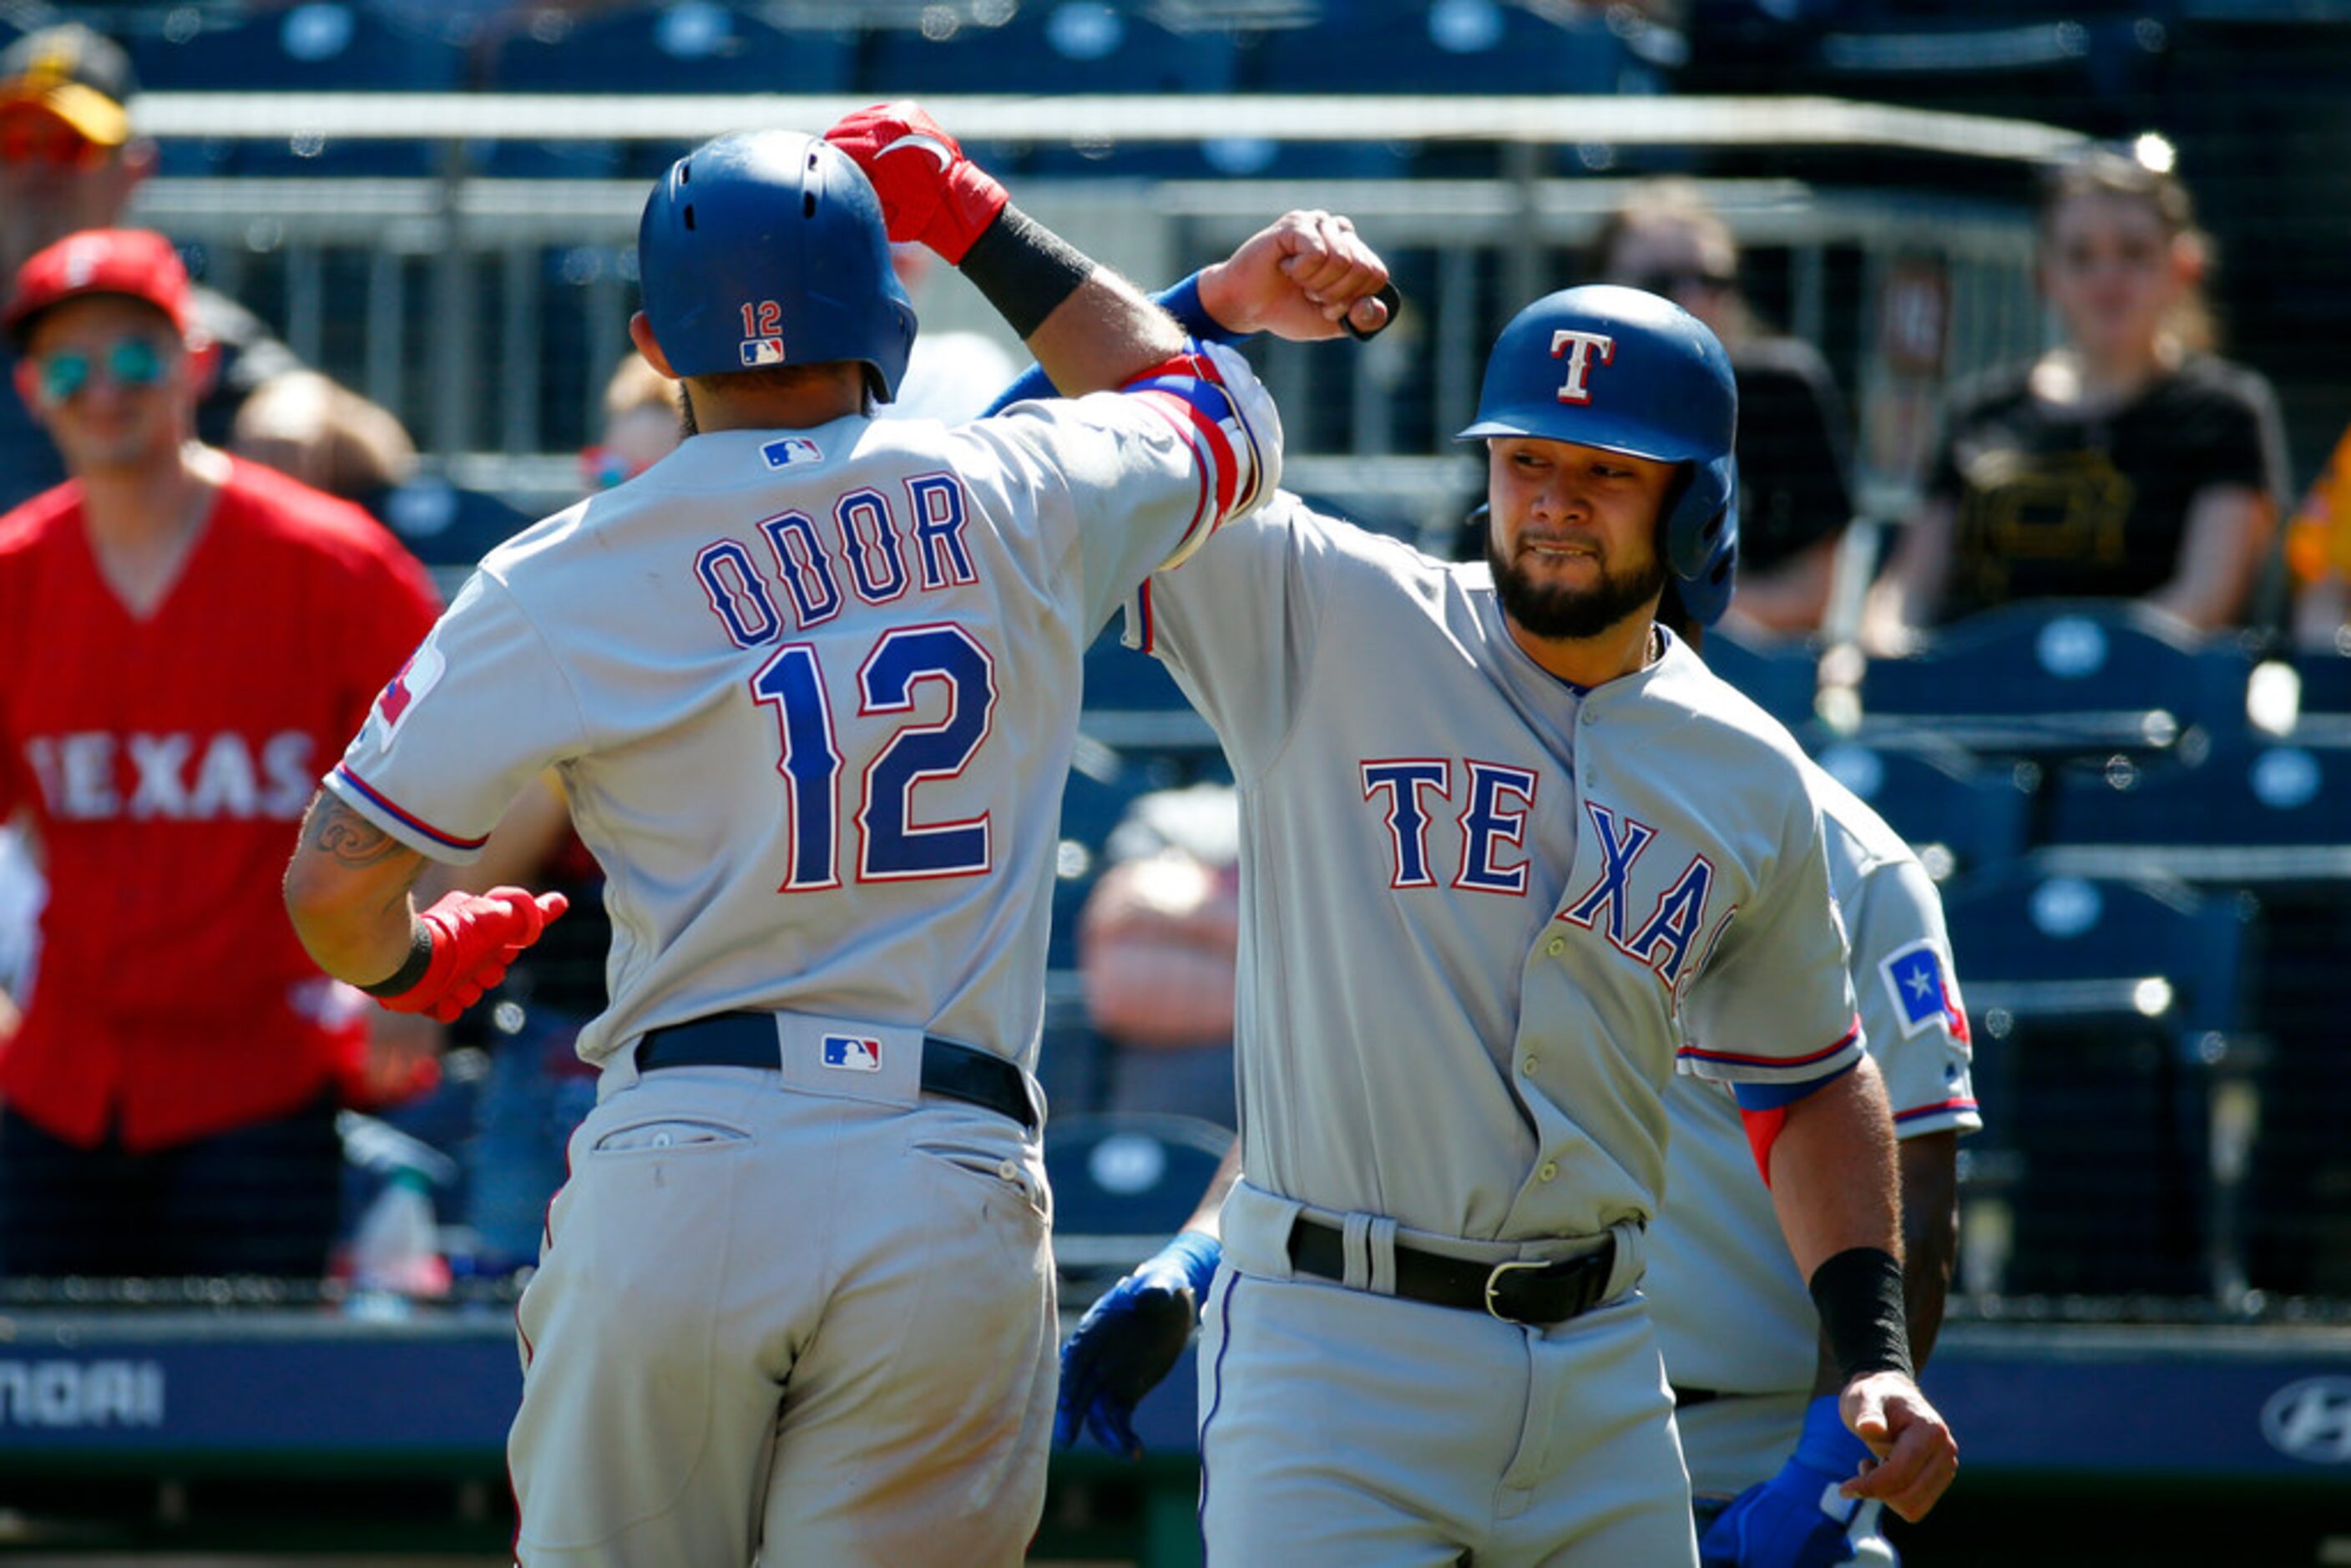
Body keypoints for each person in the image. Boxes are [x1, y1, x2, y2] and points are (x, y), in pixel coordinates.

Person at [280, 108, 1386, 1563]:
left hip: (682, 1154)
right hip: (946, 1166)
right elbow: (1216, 406)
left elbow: (331, 880)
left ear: (654, 342)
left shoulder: (564, 569)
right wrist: (979, 214)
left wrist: (411, 958)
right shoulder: (1016, 486)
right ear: (889, 312)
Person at [1026, 260, 1962, 1553]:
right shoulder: (1333, 608)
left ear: (1696, 507)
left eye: (1607, 471)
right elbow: (1096, 419)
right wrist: (998, 227)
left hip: (1601, 1366)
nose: (1555, 501)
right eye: (1528, 460)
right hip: (1333, 1345)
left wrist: (1873, 1355)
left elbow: (1812, 1078)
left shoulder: (1749, 775)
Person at [0, 227, 441, 1279]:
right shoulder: (16, 577)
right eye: (69, 365)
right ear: (30, 389)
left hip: (263, 1078)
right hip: (59, 1077)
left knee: (247, 1420)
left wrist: (417, 971)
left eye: (137, 356)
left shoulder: (334, 565)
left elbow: (466, 778)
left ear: (196, 363)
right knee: (42, 1419)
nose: (104, 388)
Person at [1641, 581, 1981, 1566]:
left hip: (1731, 1455)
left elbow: (1914, 1197)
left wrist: (1824, 1477)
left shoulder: (1850, 859)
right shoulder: (1483, 826)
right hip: (1486, 1442)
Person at [1863, 145, 2288, 655]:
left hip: (2146, 713)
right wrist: (1887, 656)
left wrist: (2067, 665)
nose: (2108, 278)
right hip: (1968, 704)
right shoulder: (1977, 411)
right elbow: (1904, 594)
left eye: (2134, 253)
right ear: (2044, 277)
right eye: (2080, 256)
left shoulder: (2225, 413)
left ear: (2183, 268)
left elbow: (2203, 603)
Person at [0, 23, 302, 513]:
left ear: (134, 169)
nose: (38, 171)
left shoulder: (179, 316)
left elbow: (343, 421)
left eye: (69, 146)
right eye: (13, 144)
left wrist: (300, 406)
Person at [1591, 178, 1858, 637]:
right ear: (1599, 286)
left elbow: (1811, 595)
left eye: (1712, 282)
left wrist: (1649, 625)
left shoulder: (1783, 392)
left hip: (1738, 667)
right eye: (1662, 282)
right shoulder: (1553, 399)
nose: (1692, 301)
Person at [1078, 780, 1242, 1128]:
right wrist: (1301, 992)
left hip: (1314, 1129)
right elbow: (1123, 989)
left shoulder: (1344, 810)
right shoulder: (1176, 818)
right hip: (1166, 1121)